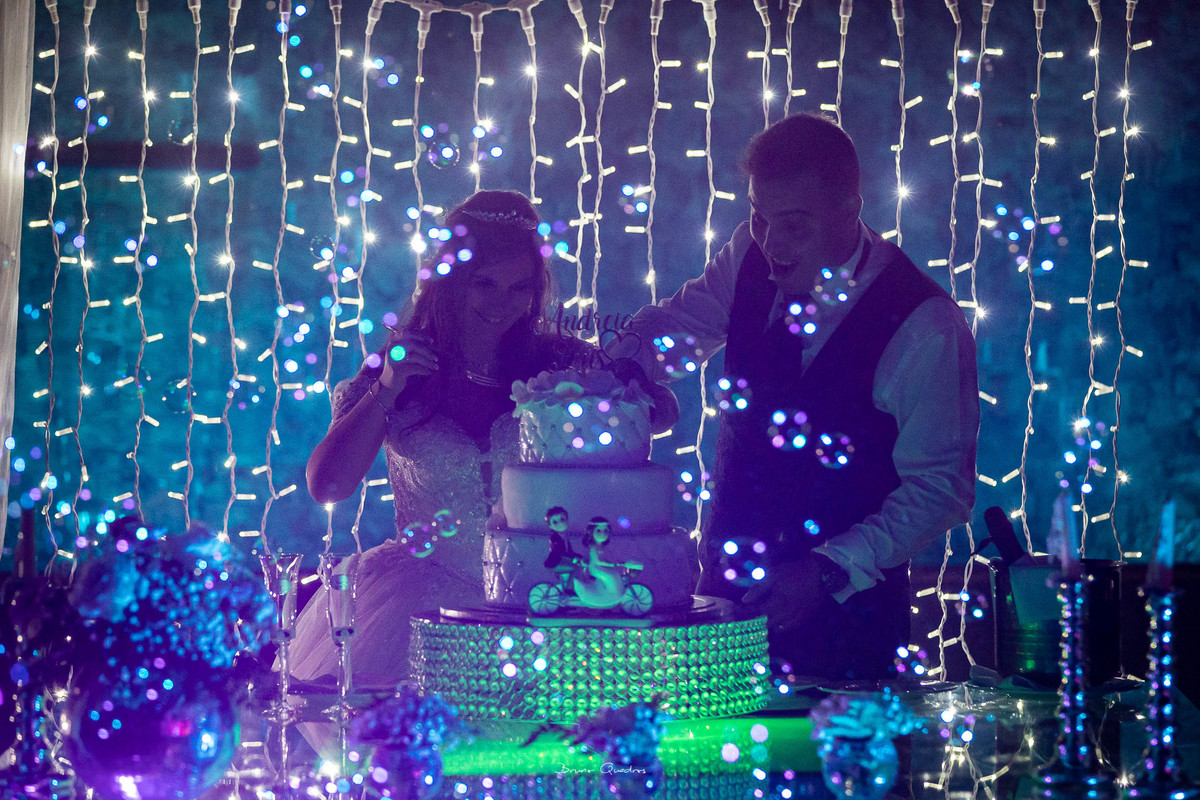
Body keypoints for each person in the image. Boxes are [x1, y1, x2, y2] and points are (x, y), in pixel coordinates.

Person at [610, 113, 979, 680]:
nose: (772, 243)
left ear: (849, 211)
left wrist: (829, 569)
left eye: (795, 225)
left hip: (849, 633)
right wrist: (618, 373)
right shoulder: (747, 253)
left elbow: (941, 489)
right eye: (760, 218)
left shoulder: (924, 324)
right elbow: (677, 328)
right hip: (724, 609)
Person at [291, 190, 597, 686]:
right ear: (451, 280)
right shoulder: (398, 366)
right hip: (418, 610)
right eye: (484, 283)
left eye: (519, 287)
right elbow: (327, 485)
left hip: (544, 600)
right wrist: (387, 389)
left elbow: (652, 410)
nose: (502, 303)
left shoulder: (559, 361)